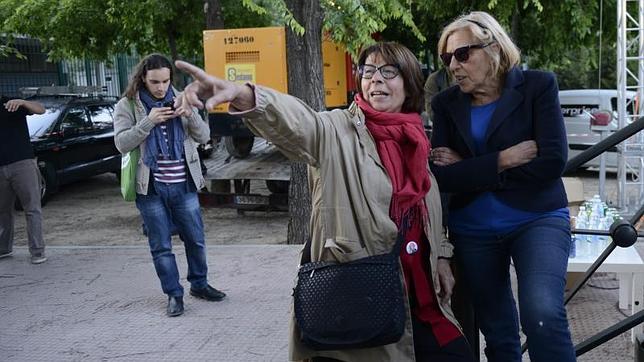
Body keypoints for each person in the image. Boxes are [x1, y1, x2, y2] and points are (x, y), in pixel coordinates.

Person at [174, 42, 475, 362]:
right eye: (369, 71)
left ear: (410, 83)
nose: (376, 80)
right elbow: (300, 123)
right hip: (363, 302)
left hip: (424, 297)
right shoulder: (337, 131)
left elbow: (428, 210)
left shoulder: (415, 138)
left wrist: (441, 255)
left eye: (389, 72)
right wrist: (244, 94)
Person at [429, 11, 576, 362]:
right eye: (447, 58)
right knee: (497, 331)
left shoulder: (538, 86)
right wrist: (502, 160)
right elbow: (443, 178)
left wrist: (470, 168)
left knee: (542, 313)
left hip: (537, 218)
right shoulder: (446, 104)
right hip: (473, 230)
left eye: (463, 54)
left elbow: (552, 162)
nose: (454, 65)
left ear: (493, 47)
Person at [113, 54, 225, 318]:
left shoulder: (182, 98)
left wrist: (191, 116)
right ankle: (174, 294)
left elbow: (205, 136)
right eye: (154, 82)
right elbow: (121, 144)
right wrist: (149, 121)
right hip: (150, 189)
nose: (161, 87)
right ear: (143, 78)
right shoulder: (128, 105)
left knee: (196, 240)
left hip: (183, 185)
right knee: (161, 246)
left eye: (165, 81)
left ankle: (199, 284)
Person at [0, 97, 47, 264]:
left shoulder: (11, 104)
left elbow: (41, 109)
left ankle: (37, 251)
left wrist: (23, 102)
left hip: (22, 164)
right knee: (3, 211)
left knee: (32, 208)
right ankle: (4, 248)